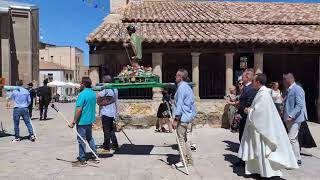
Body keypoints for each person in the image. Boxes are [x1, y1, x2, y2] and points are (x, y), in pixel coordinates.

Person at [238, 73, 298, 178]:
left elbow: (260, 113)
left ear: (258, 82)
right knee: (259, 153)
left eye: (253, 81)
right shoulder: (261, 92)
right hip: (260, 129)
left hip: (263, 131)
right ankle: (260, 171)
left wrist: (249, 110)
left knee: (264, 153)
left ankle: (269, 173)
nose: (252, 84)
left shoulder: (263, 94)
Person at [69, 77, 99, 166]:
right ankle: (95, 156)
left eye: (80, 83)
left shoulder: (82, 94)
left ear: (83, 84)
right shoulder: (93, 93)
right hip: (89, 120)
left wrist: (73, 121)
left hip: (82, 121)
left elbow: (79, 110)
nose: (79, 85)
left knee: (81, 140)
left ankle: (82, 159)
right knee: (89, 138)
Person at [172, 69, 196, 168]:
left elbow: (180, 105)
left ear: (180, 77)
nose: (175, 77)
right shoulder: (187, 87)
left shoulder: (182, 88)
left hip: (182, 118)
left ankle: (183, 161)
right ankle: (189, 159)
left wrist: (176, 119)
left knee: (180, 140)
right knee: (185, 140)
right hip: (187, 117)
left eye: (176, 75)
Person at [283, 74, 309, 166]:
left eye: (284, 80)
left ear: (288, 80)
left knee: (291, 138)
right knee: (294, 139)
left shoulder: (297, 89)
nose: (283, 82)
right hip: (289, 119)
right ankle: (297, 158)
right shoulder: (289, 90)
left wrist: (291, 115)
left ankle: (293, 159)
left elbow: (299, 105)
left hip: (295, 118)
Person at [234, 69, 256, 166]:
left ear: (247, 77)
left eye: (242, 76)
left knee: (244, 138)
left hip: (246, 117)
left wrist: (241, 114)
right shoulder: (246, 87)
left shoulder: (250, 88)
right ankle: (243, 158)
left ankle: (244, 160)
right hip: (243, 116)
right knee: (242, 137)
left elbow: (248, 103)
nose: (241, 78)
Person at [97, 75, 119, 154]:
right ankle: (115, 144)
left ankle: (106, 147)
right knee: (111, 129)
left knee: (106, 130)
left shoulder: (105, 89)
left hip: (106, 112)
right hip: (112, 112)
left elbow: (98, 96)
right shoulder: (115, 89)